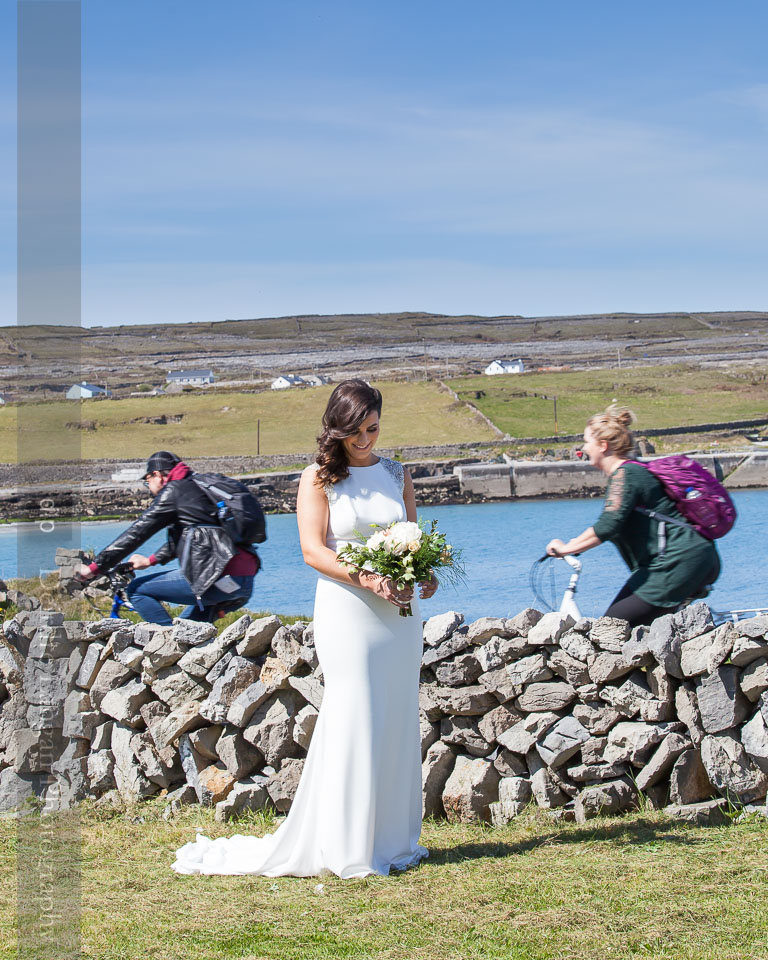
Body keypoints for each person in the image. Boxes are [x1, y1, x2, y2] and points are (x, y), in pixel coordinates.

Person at [172, 379, 437, 878]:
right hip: (348, 610)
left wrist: (424, 573)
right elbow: (314, 551)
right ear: (336, 429)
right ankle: (345, 844)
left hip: (399, 617)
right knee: (354, 711)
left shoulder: (397, 473)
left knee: (397, 713)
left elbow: (415, 537)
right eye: (355, 431)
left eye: (373, 428)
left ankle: (393, 840)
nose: (365, 440)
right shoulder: (317, 477)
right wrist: (368, 578)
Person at [545, 406, 720, 628]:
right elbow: (613, 524)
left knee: (611, 629)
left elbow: (608, 525)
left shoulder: (626, 474)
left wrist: (565, 548)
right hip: (681, 562)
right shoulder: (628, 474)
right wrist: (575, 545)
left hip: (677, 563)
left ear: (602, 445)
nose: (584, 447)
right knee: (637, 633)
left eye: (587, 441)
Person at [76, 451, 259, 625]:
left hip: (216, 577)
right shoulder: (200, 486)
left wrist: (95, 567)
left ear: (157, 475)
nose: (150, 488)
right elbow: (190, 536)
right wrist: (150, 560)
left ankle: (167, 646)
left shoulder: (174, 490)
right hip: (243, 582)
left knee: (137, 591)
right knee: (189, 634)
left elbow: (138, 532)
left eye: (148, 481)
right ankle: (182, 651)